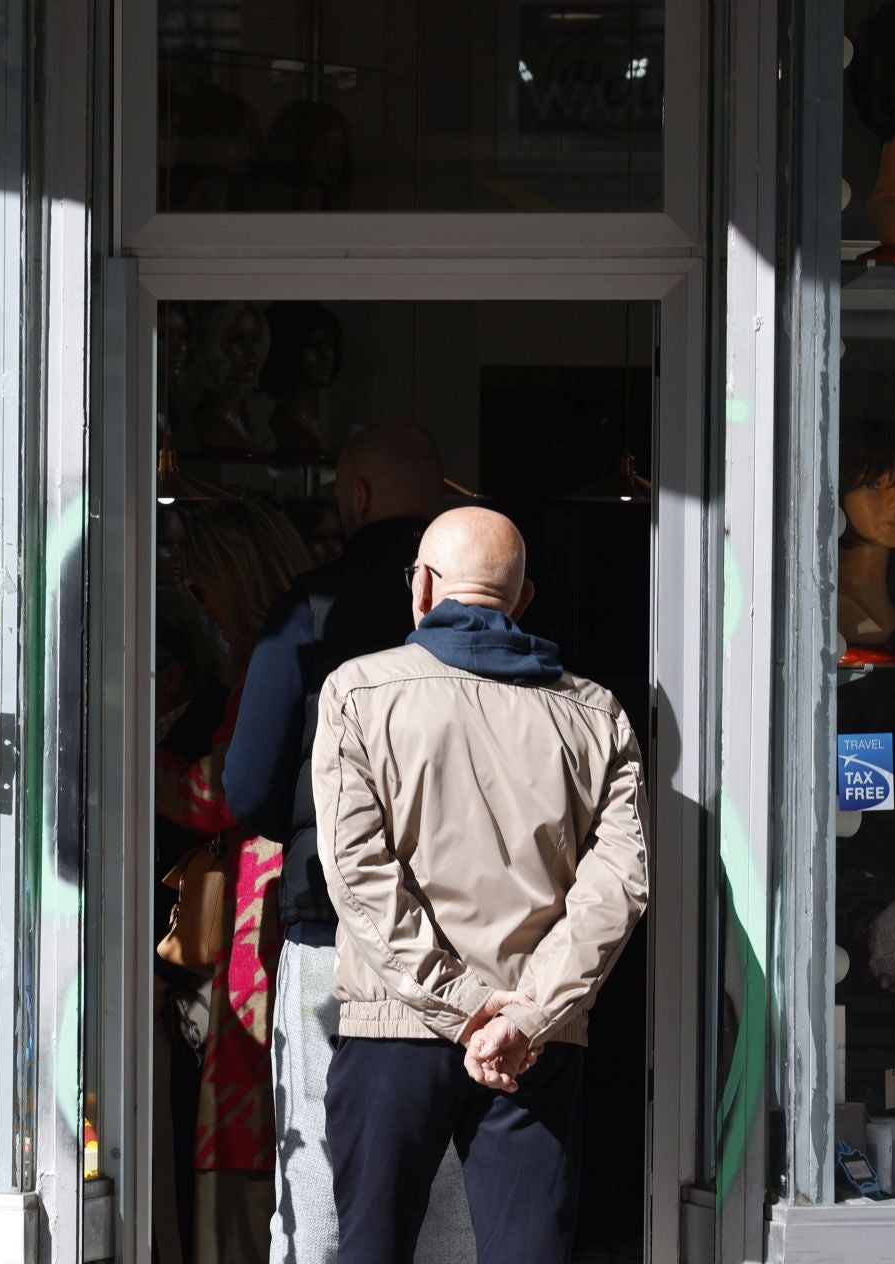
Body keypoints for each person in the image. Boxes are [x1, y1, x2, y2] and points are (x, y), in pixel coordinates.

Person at [312, 507, 650, 1264]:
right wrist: (523, 1013)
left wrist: (467, 1010)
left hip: (395, 1028)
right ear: (522, 598)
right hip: (535, 1043)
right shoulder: (597, 717)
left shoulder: (358, 693)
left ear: (422, 588)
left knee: (372, 1250)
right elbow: (618, 886)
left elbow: (359, 877)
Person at [222, 421, 467, 1264]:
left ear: (354, 496)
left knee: (320, 1175)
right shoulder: (495, 625)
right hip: (469, 937)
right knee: (445, 1193)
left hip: (333, 923)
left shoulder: (312, 606)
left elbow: (249, 785)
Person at [156, 499, 313, 1264]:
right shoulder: (287, 657)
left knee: (249, 1079)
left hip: (263, 908)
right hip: (269, 901)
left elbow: (217, 792)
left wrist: (137, 759)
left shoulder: (266, 667)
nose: (198, 603)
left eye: (200, 586)